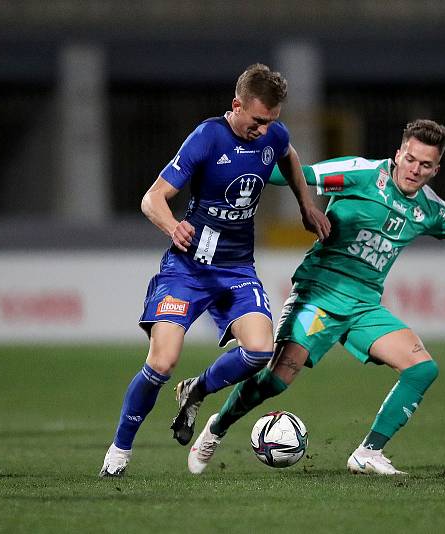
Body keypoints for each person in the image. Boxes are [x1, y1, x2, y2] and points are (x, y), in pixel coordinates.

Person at [177, 119, 445, 477]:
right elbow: (296, 174)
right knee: (276, 379)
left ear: (435, 170)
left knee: (423, 369)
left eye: (425, 165)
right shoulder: (360, 173)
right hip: (319, 295)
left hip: (364, 306)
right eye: (410, 159)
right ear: (398, 154)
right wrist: (231, 172)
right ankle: (216, 427)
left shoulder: (430, 209)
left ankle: (368, 453)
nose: (415, 169)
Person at [99, 63, 331, 477]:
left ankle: (197, 389)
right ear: (236, 105)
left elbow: (290, 156)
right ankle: (119, 450)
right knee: (163, 361)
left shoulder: (273, 134)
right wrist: (172, 226)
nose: (264, 130)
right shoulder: (207, 137)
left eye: (272, 122)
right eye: (258, 120)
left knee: (260, 351)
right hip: (187, 270)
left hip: (237, 268)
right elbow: (152, 199)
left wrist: (306, 205)